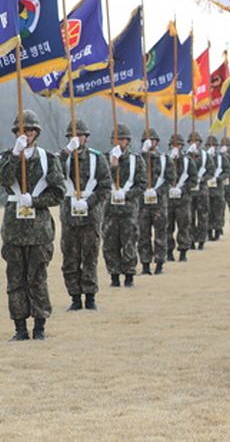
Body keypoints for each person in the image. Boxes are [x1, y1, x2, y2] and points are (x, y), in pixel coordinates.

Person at [1, 110, 65, 340]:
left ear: (36, 132)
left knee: (37, 278)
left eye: (29, 130)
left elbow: (58, 193)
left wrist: (36, 201)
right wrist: (15, 156)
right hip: (14, 230)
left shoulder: (48, 158)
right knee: (15, 280)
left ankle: (39, 327)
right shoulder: (6, 157)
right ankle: (19, 328)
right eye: (21, 130)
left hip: (39, 230)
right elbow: (4, 180)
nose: (26, 134)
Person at [59, 119, 111, 310]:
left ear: (86, 137)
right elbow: (51, 174)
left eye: (80, 135)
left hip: (90, 215)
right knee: (70, 258)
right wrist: (66, 151)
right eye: (73, 136)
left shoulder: (97, 158)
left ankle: (90, 297)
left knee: (90, 256)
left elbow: (106, 186)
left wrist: (89, 202)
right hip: (69, 216)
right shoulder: (62, 157)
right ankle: (74, 298)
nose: (77, 138)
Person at [103, 123, 146, 288]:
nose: (120, 142)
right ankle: (114, 276)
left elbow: (141, 184)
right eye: (117, 139)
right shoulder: (105, 159)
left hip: (128, 210)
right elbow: (101, 181)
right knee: (110, 244)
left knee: (129, 242)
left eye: (123, 139)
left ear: (128, 141)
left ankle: (129, 275)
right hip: (109, 210)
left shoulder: (136, 160)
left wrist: (127, 195)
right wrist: (113, 165)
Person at [137, 128, 174, 275]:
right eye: (147, 140)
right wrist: (144, 154)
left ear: (157, 142)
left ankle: (159, 264)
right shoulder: (138, 159)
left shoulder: (165, 159)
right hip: (142, 203)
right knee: (143, 234)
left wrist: (157, 191)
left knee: (160, 234)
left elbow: (170, 179)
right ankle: (145, 265)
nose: (150, 142)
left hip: (159, 203)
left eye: (152, 140)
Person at [166, 133, 197, 263]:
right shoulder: (165, 160)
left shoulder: (188, 161)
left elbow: (193, 179)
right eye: (174, 145)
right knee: (167, 227)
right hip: (167, 200)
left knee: (184, 225)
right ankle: (168, 251)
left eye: (178, 145)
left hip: (183, 200)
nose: (176, 147)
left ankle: (183, 251)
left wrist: (182, 189)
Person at [187, 132, 215, 251]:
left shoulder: (205, 156)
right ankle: (191, 240)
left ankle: (202, 240)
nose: (195, 143)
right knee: (190, 217)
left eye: (197, 141)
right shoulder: (185, 156)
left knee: (203, 216)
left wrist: (202, 179)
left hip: (202, 190)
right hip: (189, 190)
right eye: (192, 142)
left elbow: (211, 171)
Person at [206, 135, 230, 241]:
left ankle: (217, 230)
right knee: (207, 211)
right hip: (206, 189)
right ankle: (208, 231)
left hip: (218, 189)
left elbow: (227, 171)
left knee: (218, 210)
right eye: (209, 145)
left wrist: (219, 178)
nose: (212, 147)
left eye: (214, 145)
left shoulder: (221, 158)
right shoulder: (203, 157)